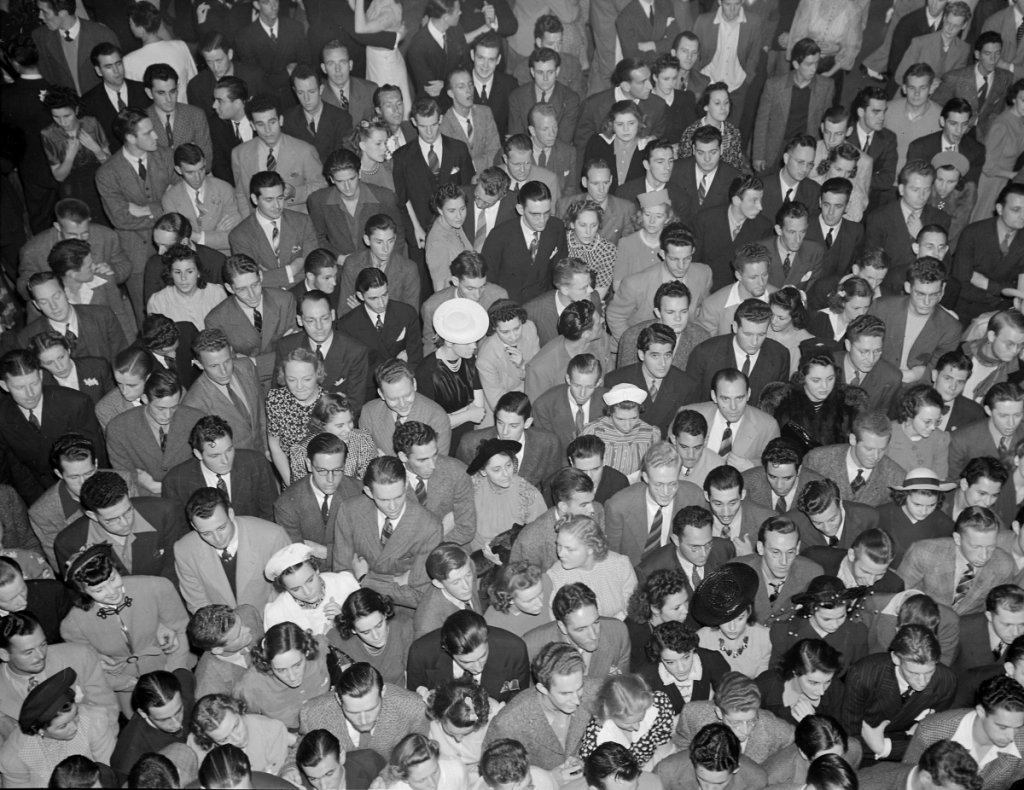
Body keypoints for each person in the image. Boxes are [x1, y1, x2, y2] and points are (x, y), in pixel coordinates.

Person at [60, 545, 192, 712]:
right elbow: (90, 671)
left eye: (113, 579)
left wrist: (172, 675)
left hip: (170, 666)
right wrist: (131, 685)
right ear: (82, 590)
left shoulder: (157, 587)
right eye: (98, 590)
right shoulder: (73, 624)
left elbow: (181, 631)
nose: (112, 592)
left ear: (116, 567)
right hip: (124, 687)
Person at [332, 456, 443, 608]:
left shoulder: (430, 527)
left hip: (401, 608)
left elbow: (419, 596)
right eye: (383, 500)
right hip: (359, 602)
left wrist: (365, 578)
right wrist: (394, 581)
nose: (392, 507)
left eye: (398, 497)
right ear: (368, 492)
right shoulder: (349, 511)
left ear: (406, 486)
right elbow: (342, 574)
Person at [0, 609, 118, 734]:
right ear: (4, 654)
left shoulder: (80, 656)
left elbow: (107, 713)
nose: (40, 655)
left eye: (43, 644)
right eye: (28, 652)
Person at [0, 667, 115, 789]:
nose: (75, 726)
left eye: (75, 715)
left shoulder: (95, 722)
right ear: (40, 730)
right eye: (63, 726)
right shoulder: (15, 754)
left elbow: (108, 773)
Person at [205, 254, 298, 391]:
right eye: (242, 289)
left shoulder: (285, 300)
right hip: (247, 386)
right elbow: (228, 367)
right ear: (229, 288)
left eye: (254, 285)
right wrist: (280, 352)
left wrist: (253, 362)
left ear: (260, 276)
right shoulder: (216, 320)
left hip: (289, 380)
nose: (252, 294)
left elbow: (296, 352)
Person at [230, 95, 326, 220]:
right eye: (260, 124)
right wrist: (248, 224)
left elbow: (322, 187)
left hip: (297, 223)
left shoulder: (305, 150)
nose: (268, 130)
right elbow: (241, 194)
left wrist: (295, 192)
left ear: (281, 120)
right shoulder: (239, 154)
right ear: (252, 126)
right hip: (258, 226)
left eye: (272, 122)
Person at [407, 609, 530, 705]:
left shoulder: (514, 650)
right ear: (447, 650)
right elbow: (413, 701)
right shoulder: (420, 653)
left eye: (482, 656)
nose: (478, 668)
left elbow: (519, 699)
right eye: (467, 662)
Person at [672, 669, 794, 764]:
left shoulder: (775, 728)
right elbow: (682, 745)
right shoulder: (693, 714)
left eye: (751, 721)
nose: (745, 731)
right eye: (736, 723)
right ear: (719, 713)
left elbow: (793, 746)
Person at [233, 620, 331, 733]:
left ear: (307, 652)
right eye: (281, 670)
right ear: (267, 664)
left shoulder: (320, 649)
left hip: (328, 715)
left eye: (297, 665)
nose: (292, 677)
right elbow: (247, 724)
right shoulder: (250, 687)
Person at [416, 298, 488, 449]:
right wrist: (467, 414)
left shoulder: (470, 361)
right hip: (441, 440)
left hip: (467, 436)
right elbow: (432, 422)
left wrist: (454, 417)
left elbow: (479, 408)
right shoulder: (426, 371)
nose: (474, 346)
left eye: (474, 341)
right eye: (467, 342)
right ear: (448, 342)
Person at [804, 411, 906, 507]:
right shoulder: (817, 460)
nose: (876, 456)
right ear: (853, 439)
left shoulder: (896, 477)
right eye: (868, 449)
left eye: (882, 449)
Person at [41, 87, 110, 226]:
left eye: (67, 116)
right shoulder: (49, 134)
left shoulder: (91, 123)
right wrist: (69, 157)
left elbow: (111, 164)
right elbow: (59, 176)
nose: (62, 122)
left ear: (76, 110)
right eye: (56, 117)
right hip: (72, 190)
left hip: (99, 183)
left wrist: (97, 150)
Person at [467, 438, 547, 555]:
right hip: (475, 554)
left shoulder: (528, 494)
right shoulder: (472, 486)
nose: (506, 474)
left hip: (511, 556)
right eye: (497, 469)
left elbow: (539, 535)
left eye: (508, 465)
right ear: (483, 472)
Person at [548, 516, 636, 621]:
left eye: (569, 549)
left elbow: (632, 605)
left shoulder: (620, 564)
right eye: (559, 545)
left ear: (590, 549)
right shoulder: (555, 578)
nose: (560, 553)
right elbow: (557, 622)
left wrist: (613, 626)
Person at [109, 669, 194, 777]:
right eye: (164, 719)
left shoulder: (183, 682)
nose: (176, 723)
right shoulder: (130, 760)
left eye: (178, 711)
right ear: (143, 713)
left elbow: (184, 674)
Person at [263, 543, 359, 635]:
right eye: (296, 589)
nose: (307, 592)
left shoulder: (345, 584)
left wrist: (345, 620)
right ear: (285, 588)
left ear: (316, 570)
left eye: (310, 580)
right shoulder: (277, 614)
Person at [359, 358, 449, 456]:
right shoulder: (369, 412)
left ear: (414, 384)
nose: (402, 404)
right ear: (381, 394)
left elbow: (438, 465)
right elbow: (363, 456)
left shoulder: (437, 417)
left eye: (407, 395)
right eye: (393, 399)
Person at [770, 352, 859, 452]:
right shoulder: (783, 406)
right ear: (802, 378)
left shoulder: (849, 406)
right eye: (816, 380)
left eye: (830, 379)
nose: (825, 386)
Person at [190, 693, 294, 777]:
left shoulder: (272, 731)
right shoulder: (198, 748)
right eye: (224, 739)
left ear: (238, 710)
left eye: (236, 726)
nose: (237, 739)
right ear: (209, 740)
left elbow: (276, 779)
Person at [326, 588, 414, 687]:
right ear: (352, 630)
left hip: (399, 696)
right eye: (366, 632)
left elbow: (412, 680)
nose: (376, 636)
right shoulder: (336, 640)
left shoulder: (403, 628)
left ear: (385, 614)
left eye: (379, 625)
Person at [580, 384, 662, 480]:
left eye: (634, 418)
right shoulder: (593, 431)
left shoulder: (651, 434)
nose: (627, 425)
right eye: (620, 419)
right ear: (610, 413)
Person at [476, 300, 541, 418]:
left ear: (522, 322)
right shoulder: (485, 358)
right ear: (494, 328)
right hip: (507, 409)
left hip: (533, 394)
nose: (513, 336)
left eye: (517, 328)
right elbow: (497, 403)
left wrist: (522, 365)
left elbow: (540, 373)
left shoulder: (529, 328)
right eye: (505, 332)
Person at [186, 604, 260, 699]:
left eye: (242, 624)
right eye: (238, 635)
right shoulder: (209, 689)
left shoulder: (248, 613)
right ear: (218, 649)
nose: (248, 629)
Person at [147, 245, 226, 330]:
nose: (183, 278)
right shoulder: (157, 302)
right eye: (177, 272)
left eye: (189, 272)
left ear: (198, 272)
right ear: (170, 274)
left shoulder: (217, 293)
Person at [414, 544, 482, 638]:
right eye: (456, 582)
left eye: (468, 575)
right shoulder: (428, 624)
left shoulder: (466, 568)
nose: (467, 586)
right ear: (438, 583)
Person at [296, 728, 387, 790]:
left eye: (329, 774)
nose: (323, 787)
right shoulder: (299, 784)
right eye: (313, 779)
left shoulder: (370, 763)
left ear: (342, 757)